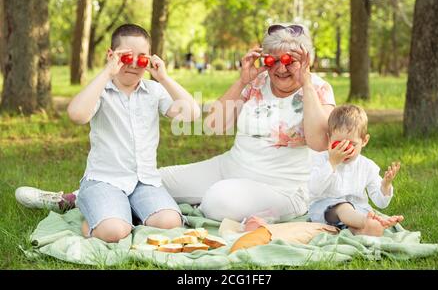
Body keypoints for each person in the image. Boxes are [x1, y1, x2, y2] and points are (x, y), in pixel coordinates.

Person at [16, 23, 335, 224]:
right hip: (230, 167)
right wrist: (242, 82)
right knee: (150, 180)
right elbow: (214, 125)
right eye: (272, 60)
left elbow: (320, 142)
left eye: (290, 61)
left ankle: (119, 215)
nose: (280, 69)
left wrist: (305, 84)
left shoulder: (319, 89)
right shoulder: (257, 82)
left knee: (217, 201)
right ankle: (71, 198)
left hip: (282, 188)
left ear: (307, 61)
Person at [22, 23, 200, 243]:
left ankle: (118, 211)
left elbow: (192, 113)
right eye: (127, 57)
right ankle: (92, 212)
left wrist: (163, 77)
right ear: (112, 55)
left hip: (144, 182)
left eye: (142, 58)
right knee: (114, 232)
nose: (134, 64)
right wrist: (107, 73)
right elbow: (77, 115)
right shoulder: (101, 90)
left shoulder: (154, 91)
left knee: (170, 223)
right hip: (104, 180)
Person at [307, 104, 404, 236]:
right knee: (344, 207)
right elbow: (313, 190)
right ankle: (369, 222)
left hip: (358, 211)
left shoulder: (367, 166)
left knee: (362, 218)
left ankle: (363, 229)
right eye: (339, 144)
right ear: (330, 139)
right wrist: (332, 163)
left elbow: (380, 203)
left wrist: (385, 185)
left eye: (351, 144)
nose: (345, 149)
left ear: (364, 141)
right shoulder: (322, 160)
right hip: (328, 211)